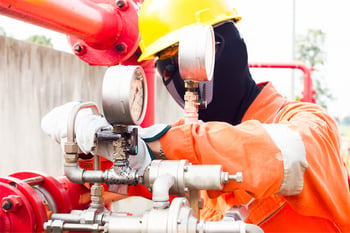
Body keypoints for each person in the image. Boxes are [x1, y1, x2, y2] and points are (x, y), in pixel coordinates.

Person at [41, 0, 350, 232]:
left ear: (230, 51)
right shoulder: (193, 146)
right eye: (167, 71)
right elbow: (122, 178)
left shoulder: (309, 125)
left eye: (186, 60)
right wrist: (92, 143)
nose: (179, 83)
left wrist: (154, 145)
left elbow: (283, 153)